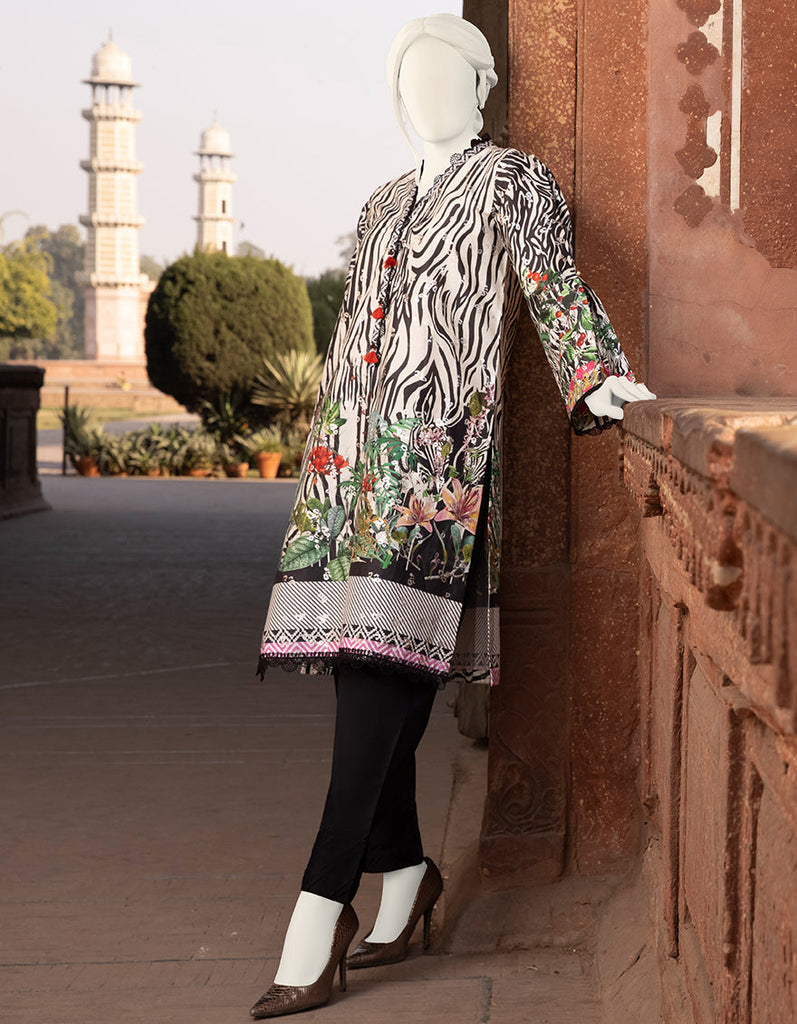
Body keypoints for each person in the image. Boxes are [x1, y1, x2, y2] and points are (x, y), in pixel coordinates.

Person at [249, 13, 656, 1020]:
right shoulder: (383, 200)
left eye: (449, 75)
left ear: (482, 89)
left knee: (382, 675)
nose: (428, 93)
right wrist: (327, 460)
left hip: (437, 478)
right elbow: (352, 338)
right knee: (363, 674)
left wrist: (595, 377)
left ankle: (319, 909)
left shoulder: (512, 182)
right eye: (412, 78)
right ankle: (407, 876)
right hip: (347, 475)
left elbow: (552, 284)